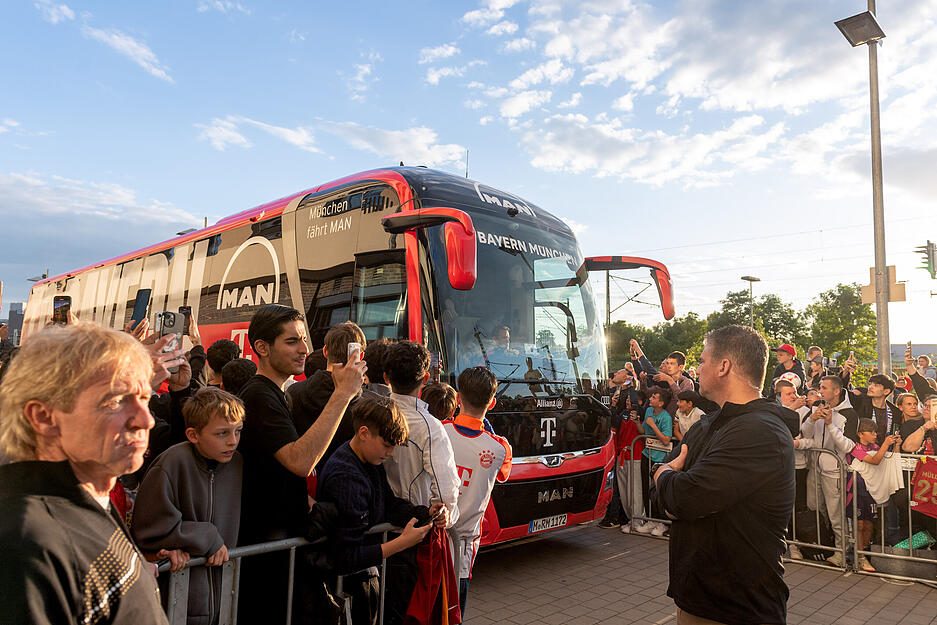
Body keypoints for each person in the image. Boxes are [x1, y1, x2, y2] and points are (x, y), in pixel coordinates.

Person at [0, 323, 168, 624]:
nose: (146, 421)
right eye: (115, 401)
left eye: (144, 398)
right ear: (44, 417)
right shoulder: (27, 546)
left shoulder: (86, 496)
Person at [652, 325, 795, 625]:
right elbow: (663, 497)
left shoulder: (760, 431)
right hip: (696, 601)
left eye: (702, 361)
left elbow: (682, 496)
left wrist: (666, 478)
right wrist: (669, 485)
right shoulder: (710, 424)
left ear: (723, 366)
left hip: (736, 609)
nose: (698, 369)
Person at [236, 304, 365, 625]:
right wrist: (342, 395)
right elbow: (300, 460)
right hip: (265, 550)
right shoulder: (259, 395)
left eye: (304, 339)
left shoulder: (277, 393)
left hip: (281, 544)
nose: (304, 349)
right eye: (292, 341)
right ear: (262, 348)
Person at [316, 395, 445, 625]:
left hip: (360, 583)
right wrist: (402, 542)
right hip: (347, 590)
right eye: (387, 445)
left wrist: (426, 513)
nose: (391, 453)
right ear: (364, 433)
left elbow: (388, 504)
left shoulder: (367, 461)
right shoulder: (347, 477)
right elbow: (346, 557)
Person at [132, 387, 245, 625]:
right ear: (193, 435)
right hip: (179, 601)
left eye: (238, 431)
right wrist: (207, 536)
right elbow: (149, 528)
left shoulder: (237, 463)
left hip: (223, 598)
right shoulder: (171, 463)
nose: (233, 441)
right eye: (222, 433)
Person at [381, 340, 461, 625]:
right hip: (413, 539)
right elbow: (446, 492)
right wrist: (447, 514)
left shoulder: (373, 411)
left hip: (375, 534)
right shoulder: (429, 426)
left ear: (386, 377)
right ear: (426, 379)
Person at [442, 367, 512, 616]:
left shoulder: (439, 431)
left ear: (458, 398)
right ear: (492, 403)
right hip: (463, 548)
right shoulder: (500, 448)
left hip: (430, 540)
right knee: (454, 614)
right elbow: (503, 475)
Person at [287, 321, 367, 472]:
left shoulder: (293, 392)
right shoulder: (369, 405)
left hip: (304, 479)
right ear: (360, 355)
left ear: (325, 351)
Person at [845, 418, 902, 572]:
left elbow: (890, 460)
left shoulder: (876, 446)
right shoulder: (854, 448)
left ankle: (864, 553)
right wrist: (886, 444)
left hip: (872, 490)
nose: (875, 435)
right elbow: (875, 461)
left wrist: (896, 445)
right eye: (871, 432)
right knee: (859, 523)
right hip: (857, 489)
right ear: (860, 434)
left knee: (869, 523)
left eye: (876, 432)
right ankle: (859, 556)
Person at [634, 387, 672, 537]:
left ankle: (662, 522)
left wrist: (653, 425)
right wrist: (637, 422)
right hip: (647, 454)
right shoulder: (649, 411)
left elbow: (666, 440)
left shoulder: (666, 417)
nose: (650, 399)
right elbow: (642, 431)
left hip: (660, 459)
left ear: (661, 403)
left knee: (657, 491)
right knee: (645, 488)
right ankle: (650, 520)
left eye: (654, 397)